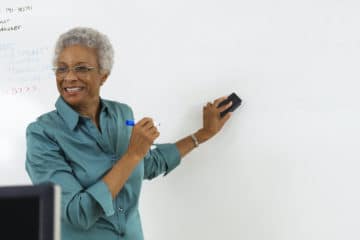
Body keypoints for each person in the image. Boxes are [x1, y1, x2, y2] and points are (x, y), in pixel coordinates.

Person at [26, 27, 233, 240]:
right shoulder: (42, 134)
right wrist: (133, 153)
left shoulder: (121, 113)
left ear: (103, 76)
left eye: (81, 68)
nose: (69, 77)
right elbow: (77, 213)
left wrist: (204, 133)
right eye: (61, 69)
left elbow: (147, 164)